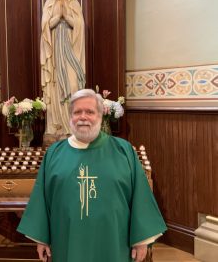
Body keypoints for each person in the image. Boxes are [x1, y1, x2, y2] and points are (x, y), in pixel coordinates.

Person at [17, 89, 167, 262]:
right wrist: (42, 239)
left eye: (89, 112)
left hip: (114, 243)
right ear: (70, 117)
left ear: (100, 115)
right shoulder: (54, 154)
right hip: (66, 242)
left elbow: (140, 198)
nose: (83, 117)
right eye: (77, 112)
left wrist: (141, 241)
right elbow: (42, 201)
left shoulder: (123, 151)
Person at [41, 0, 86, 140]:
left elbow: (79, 26)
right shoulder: (50, 4)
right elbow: (45, 27)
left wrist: (66, 17)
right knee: (57, 87)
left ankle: (72, 125)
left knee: (73, 84)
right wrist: (56, 16)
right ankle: (57, 127)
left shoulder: (74, 3)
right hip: (55, 51)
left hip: (71, 49)